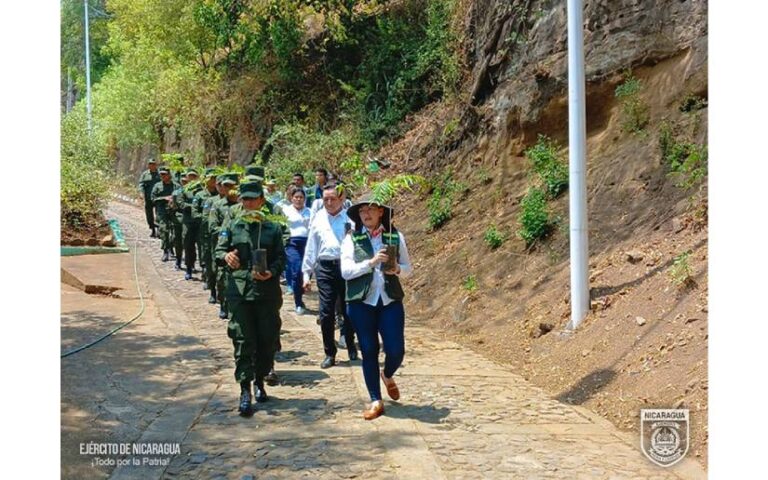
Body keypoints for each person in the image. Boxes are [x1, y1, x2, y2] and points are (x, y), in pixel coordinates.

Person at [215, 181, 285, 416]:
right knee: (243, 339)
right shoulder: (232, 225)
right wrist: (227, 257)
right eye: (245, 199)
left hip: (266, 292)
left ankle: (260, 380)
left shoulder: (272, 228)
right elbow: (218, 251)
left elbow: (281, 258)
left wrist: (271, 272)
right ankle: (244, 389)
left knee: (267, 339)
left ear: (261, 201)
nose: (249, 203)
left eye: (253, 198)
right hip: (240, 291)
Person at [341, 196, 412, 420]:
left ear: (381, 212)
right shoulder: (352, 238)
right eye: (362, 211)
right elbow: (346, 271)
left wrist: (397, 269)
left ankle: (387, 374)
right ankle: (375, 400)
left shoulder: (395, 236)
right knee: (368, 349)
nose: (366, 214)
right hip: (361, 303)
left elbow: (408, 269)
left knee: (396, 350)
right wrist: (370, 263)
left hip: (389, 300)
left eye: (370, 209)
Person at [301, 183, 358, 368]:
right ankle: (329, 353)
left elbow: (359, 245)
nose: (329, 202)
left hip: (346, 267)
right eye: (326, 199)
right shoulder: (318, 218)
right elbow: (311, 247)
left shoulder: (351, 218)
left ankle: (350, 343)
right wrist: (306, 274)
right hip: (324, 268)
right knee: (326, 312)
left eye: (333, 199)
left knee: (348, 310)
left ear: (341, 199)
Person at [209, 174, 240, 319]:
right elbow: (212, 227)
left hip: (239, 248)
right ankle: (223, 303)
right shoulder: (218, 205)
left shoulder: (243, 205)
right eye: (226, 186)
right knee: (221, 277)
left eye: (231, 186)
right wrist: (227, 230)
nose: (228, 189)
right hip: (223, 246)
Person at [283, 186, 311, 314]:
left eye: (301, 197)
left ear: (304, 199)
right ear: (291, 198)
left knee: (306, 271)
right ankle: (298, 302)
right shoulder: (286, 211)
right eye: (296, 197)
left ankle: (300, 292)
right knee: (297, 270)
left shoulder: (310, 211)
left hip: (307, 243)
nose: (298, 199)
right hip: (292, 243)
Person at [194, 168, 218, 297]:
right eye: (211, 178)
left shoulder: (222, 196)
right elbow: (196, 213)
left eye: (215, 178)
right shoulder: (200, 195)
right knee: (207, 256)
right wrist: (209, 220)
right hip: (205, 231)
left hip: (218, 234)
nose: (213, 181)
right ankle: (209, 279)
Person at [151, 167, 178, 262]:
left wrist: (174, 200)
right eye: (161, 174)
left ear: (169, 175)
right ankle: (165, 251)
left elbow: (181, 196)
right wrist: (164, 198)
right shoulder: (157, 186)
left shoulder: (176, 186)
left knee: (176, 232)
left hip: (174, 211)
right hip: (162, 211)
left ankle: (170, 246)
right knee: (164, 230)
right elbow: (153, 198)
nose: (162, 176)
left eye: (164, 174)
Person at [180, 169, 202, 280]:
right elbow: (181, 203)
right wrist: (193, 207)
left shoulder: (202, 191)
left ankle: (204, 269)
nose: (192, 178)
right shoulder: (184, 190)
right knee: (188, 245)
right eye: (190, 176)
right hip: (188, 222)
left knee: (202, 246)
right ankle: (189, 267)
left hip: (199, 223)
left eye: (194, 176)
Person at [138, 158, 161, 238]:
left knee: (159, 214)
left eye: (153, 164)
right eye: (150, 164)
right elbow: (141, 184)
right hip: (148, 198)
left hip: (158, 198)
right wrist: (141, 193)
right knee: (149, 215)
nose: (152, 165)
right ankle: (153, 229)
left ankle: (159, 230)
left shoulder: (160, 174)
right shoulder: (145, 174)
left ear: (156, 165)